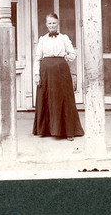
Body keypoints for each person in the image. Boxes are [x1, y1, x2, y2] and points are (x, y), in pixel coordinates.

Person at [33, 13, 84, 141]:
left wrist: (67, 57)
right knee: (47, 98)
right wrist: (37, 74)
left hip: (61, 72)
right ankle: (45, 130)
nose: (52, 25)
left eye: (54, 23)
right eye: (49, 23)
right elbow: (37, 58)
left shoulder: (64, 38)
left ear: (58, 23)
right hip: (46, 73)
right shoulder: (42, 39)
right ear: (46, 24)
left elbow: (73, 54)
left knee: (64, 99)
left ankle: (69, 131)